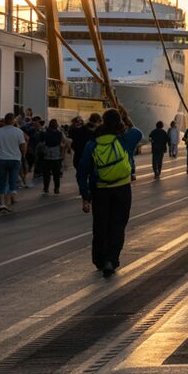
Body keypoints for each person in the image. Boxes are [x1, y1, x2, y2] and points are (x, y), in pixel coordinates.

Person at [76, 108, 141, 277]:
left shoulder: (93, 144)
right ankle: (111, 259)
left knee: (100, 225)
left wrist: (85, 196)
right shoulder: (125, 139)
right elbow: (138, 132)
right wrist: (126, 118)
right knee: (118, 225)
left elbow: (82, 171)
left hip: (100, 189)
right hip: (122, 188)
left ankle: (99, 259)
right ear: (120, 122)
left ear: (102, 123)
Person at [0, 113, 28, 212]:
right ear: (13, 121)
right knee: (12, 181)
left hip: (1, 159)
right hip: (15, 160)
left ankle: (2, 203)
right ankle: (9, 202)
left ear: (4, 120)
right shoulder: (18, 131)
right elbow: (23, 145)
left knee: (2, 181)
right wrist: (23, 155)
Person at [38, 118, 67, 195]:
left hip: (46, 156)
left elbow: (40, 144)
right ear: (56, 125)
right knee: (56, 174)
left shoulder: (44, 133)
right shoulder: (60, 133)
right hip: (56, 156)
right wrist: (62, 153)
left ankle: (46, 188)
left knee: (46, 174)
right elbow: (64, 143)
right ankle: (56, 188)